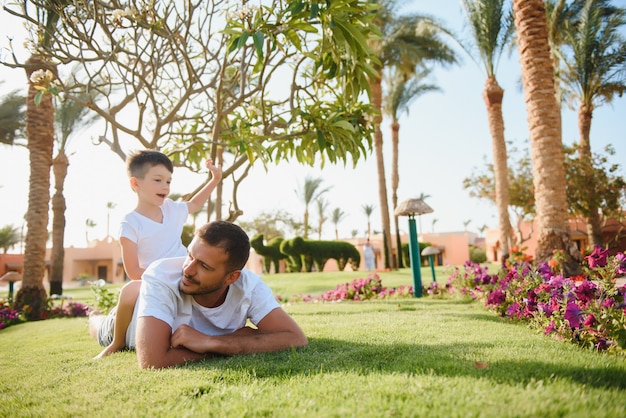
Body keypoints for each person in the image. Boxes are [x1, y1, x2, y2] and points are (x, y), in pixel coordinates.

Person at [89, 221, 308, 369]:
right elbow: (152, 362)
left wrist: (211, 343)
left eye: (203, 265)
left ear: (231, 277)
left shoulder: (248, 286)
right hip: (127, 324)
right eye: (189, 256)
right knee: (100, 326)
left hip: (152, 304)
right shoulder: (162, 275)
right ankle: (92, 316)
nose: (188, 269)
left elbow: (295, 338)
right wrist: (234, 342)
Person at [92, 150, 222, 359]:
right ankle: (108, 335)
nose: (166, 187)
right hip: (151, 281)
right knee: (113, 312)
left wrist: (215, 179)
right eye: (158, 180)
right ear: (136, 184)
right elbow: (134, 272)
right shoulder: (130, 224)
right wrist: (161, 279)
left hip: (179, 276)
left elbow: (196, 204)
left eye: (169, 181)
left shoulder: (172, 209)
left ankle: (98, 318)